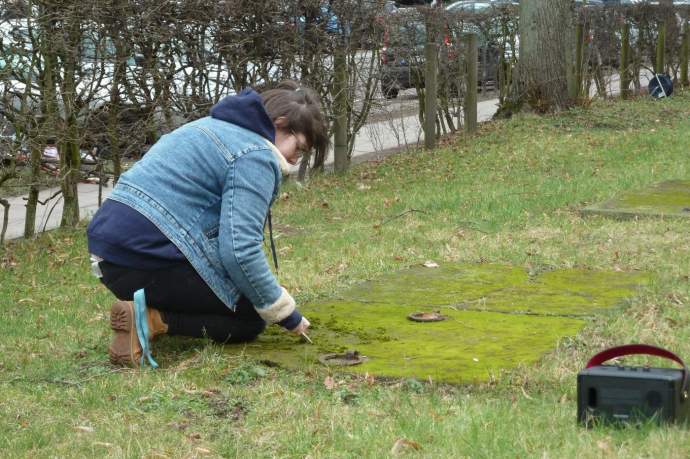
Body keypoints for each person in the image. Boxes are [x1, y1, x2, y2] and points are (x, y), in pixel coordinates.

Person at [86, 80, 329, 368]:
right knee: (251, 317)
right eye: (298, 148)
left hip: (108, 257)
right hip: (147, 258)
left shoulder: (207, 126)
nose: (294, 159)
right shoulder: (256, 156)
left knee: (240, 292)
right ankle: (151, 320)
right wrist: (284, 312)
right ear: (280, 123)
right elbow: (239, 251)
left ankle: (148, 309)